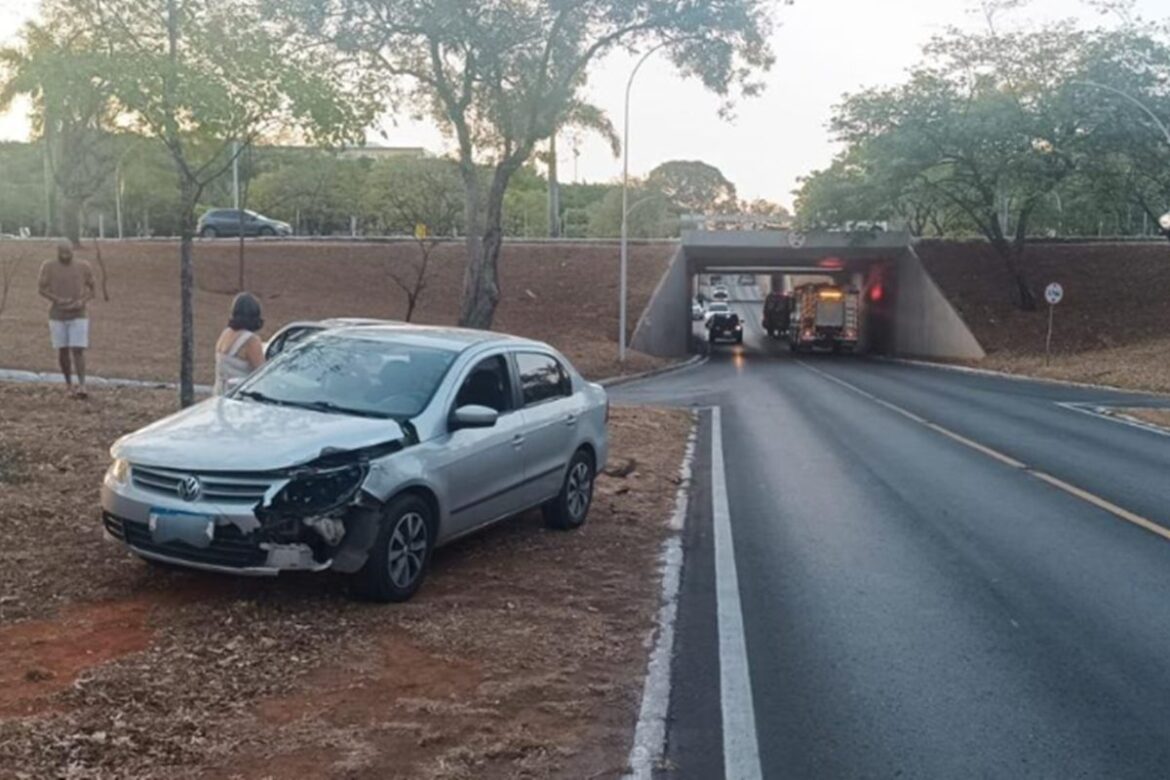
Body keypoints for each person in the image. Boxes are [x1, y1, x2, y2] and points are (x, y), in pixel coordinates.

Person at [37, 241, 96, 398]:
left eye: (68, 252)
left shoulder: (83, 266)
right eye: (62, 253)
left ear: (72, 252)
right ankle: (68, 384)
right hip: (57, 314)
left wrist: (82, 301)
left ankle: (82, 385)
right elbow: (41, 288)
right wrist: (56, 299)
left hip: (78, 313)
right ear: (57, 252)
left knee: (78, 349)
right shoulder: (48, 266)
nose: (65, 255)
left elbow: (92, 289)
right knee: (63, 350)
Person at [214, 292, 266, 395]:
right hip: (240, 397)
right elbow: (263, 372)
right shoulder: (250, 340)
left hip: (220, 393)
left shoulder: (225, 334)